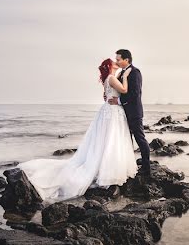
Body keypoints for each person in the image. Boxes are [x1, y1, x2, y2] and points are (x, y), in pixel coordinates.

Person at [17, 58, 138, 203]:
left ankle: (105, 167)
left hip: (109, 110)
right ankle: (109, 171)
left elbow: (107, 95)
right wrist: (125, 77)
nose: (115, 63)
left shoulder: (108, 78)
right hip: (112, 112)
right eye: (113, 62)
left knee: (107, 140)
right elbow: (124, 90)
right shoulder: (112, 78)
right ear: (110, 66)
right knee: (111, 140)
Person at [109, 49, 151, 178]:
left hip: (134, 112)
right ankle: (129, 165)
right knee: (127, 140)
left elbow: (135, 93)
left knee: (140, 139)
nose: (116, 61)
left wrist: (119, 101)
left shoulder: (134, 72)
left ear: (126, 60)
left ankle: (146, 168)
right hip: (124, 113)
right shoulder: (121, 73)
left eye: (118, 59)